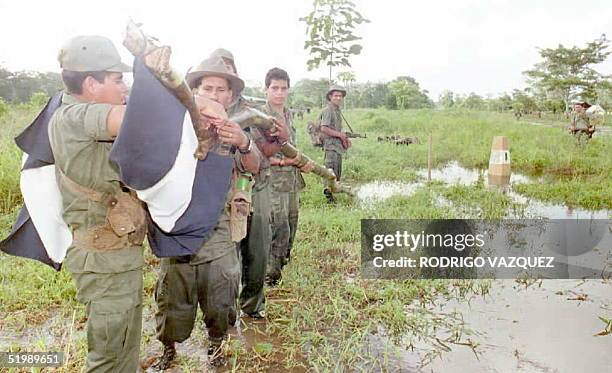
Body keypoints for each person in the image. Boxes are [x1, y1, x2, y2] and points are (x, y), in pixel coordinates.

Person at [153, 56, 261, 368]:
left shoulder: (236, 131)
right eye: (207, 88)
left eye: (220, 90)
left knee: (220, 301)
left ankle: (215, 347)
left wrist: (242, 142)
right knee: (172, 301)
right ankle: (168, 351)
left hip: (220, 233)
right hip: (178, 235)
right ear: (194, 91)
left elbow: (255, 167)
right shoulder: (176, 125)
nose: (214, 95)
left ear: (230, 95)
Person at [48, 35, 145, 372]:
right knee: (106, 359)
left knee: (126, 352)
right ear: (91, 83)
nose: (124, 87)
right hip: (103, 263)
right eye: (118, 79)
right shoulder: (71, 117)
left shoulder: (87, 117)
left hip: (120, 257)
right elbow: (135, 120)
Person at [260, 68, 313, 285]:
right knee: (278, 227)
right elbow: (259, 153)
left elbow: (293, 148)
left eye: (283, 88)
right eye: (275, 88)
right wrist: (285, 161)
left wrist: (300, 163)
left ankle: (282, 262)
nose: (279, 93)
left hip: (291, 181)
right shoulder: (263, 117)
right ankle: (270, 275)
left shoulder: (288, 114)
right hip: (272, 181)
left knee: (292, 222)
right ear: (266, 90)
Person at [319, 85, 351, 204]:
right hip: (330, 146)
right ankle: (329, 198)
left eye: (340, 96)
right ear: (330, 97)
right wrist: (340, 135)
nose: (338, 98)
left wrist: (344, 138)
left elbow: (337, 129)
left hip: (337, 146)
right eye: (335, 95)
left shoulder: (337, 110)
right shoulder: (328, 110)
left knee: (337, 172)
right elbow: (324, 128)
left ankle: (332, 193)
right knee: (330, 171)